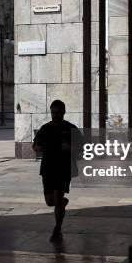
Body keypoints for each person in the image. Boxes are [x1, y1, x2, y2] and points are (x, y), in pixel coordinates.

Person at [32, 99, 82, 242]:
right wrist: (37, 148)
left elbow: (84, 147)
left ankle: (57, 228)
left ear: (64, 112)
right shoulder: (45, 128)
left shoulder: (71, 129)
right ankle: (61, 203)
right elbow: (35, 145)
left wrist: (70, 148)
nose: (55, 115)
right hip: (47, 168)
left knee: (57, 197)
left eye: (58, 112)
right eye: (53, 112)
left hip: (64, 168)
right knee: (50, 201)